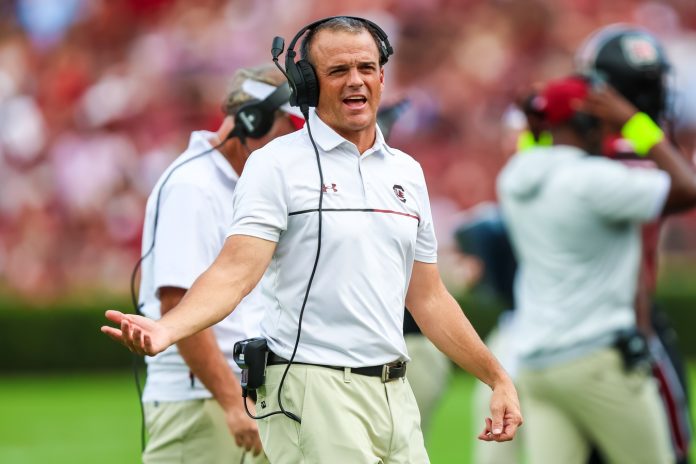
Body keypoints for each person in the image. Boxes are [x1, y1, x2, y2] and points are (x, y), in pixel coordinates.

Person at [102, 16, 522, 464]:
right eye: (338, 71)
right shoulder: (276, 164)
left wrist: (496, 377)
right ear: (308, 84)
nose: (355, 80)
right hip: (312, 390)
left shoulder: (407, 172)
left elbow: (429, 297)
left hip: (395, 393)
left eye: (365, 67)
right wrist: (169, 327)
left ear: (382, 75)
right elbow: (235, 272)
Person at [497, 74, 696, 464]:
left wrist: (538, 128)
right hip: (596, 361)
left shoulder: (514, 178)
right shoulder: (595, 181)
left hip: (536, 364)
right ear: (587, 124)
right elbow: (688, 188)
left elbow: (535, 153)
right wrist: (635, 122)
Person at [136, 65, 302, 464]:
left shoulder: (241, 185)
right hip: (202, 402)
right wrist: (231, 403)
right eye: (289, 125)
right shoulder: (193, 187)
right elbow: (177, 304)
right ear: (253, 119)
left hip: (237, 395)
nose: (296, 141)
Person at [576, 25, 693, 463]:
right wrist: (634, 121)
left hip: (565, 330)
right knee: (669, 450)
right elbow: (686, 185)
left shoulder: (570, 152)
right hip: (632, 324)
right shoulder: (642, 150)